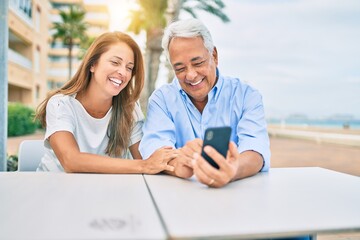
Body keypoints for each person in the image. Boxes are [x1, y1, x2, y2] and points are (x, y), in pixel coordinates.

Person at [139, 18, 270, 188]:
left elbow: (256, 150)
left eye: (198, 63)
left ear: (214, 56)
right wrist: (179, 163)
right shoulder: (161, 100)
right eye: (180, 68)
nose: (191, 75)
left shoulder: (246, 95)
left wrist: (232, 169)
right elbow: (154, 147)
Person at [35, 31, 176, 173]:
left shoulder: (130, 108)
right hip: (54, 188)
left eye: (129, 68)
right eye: (115, 62)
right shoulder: (61, 104)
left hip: (105, 191)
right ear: (92, 65)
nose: (123, 72)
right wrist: (143, 165)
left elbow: (147, 158)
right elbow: (71, 160)